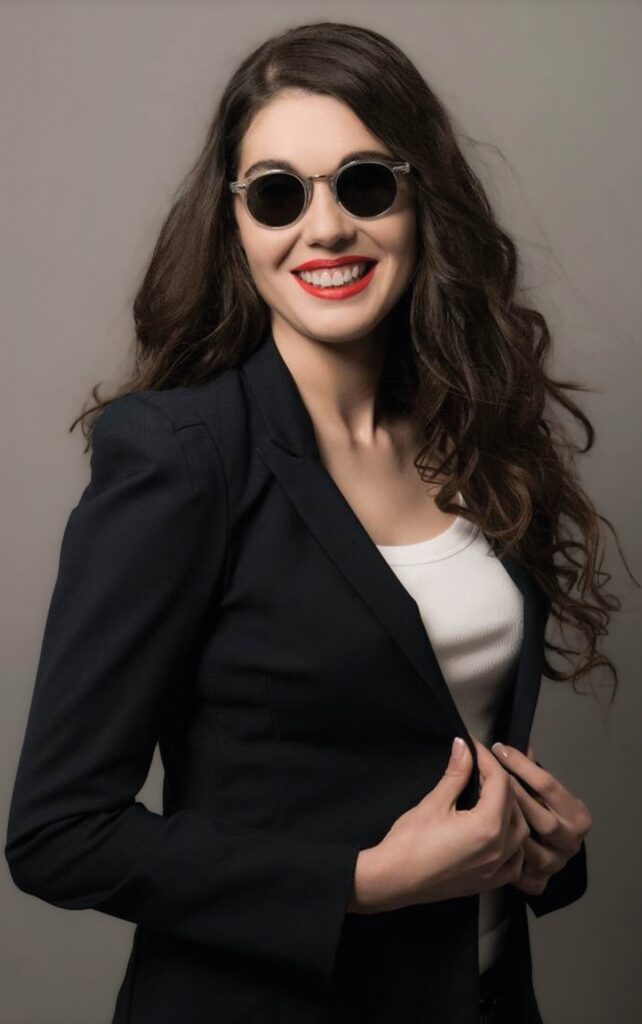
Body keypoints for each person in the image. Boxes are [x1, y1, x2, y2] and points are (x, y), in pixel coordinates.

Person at [10, 18, 626, 1024]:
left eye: (365, 184)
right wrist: (361, 881)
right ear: (236, 225)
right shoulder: (184, 456)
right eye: (278, 194)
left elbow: (421, 728)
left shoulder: (478, 436)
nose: (326, 227)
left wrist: (542, 848)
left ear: (423, 200)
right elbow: (58, 833)